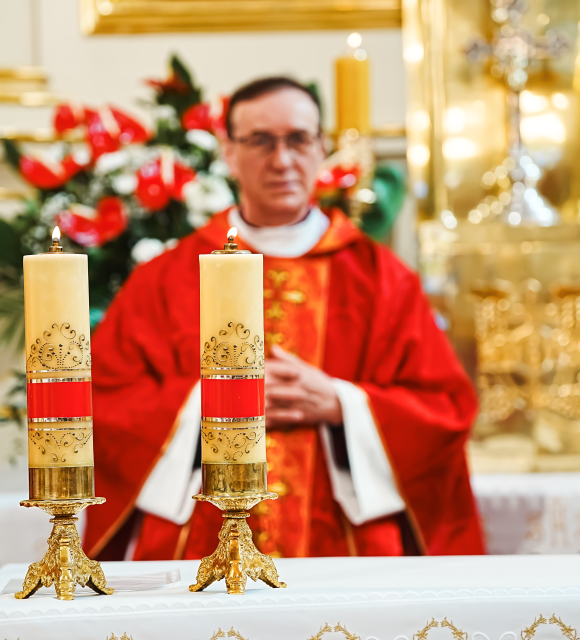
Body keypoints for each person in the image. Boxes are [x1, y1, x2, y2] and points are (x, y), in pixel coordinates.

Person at [84, 77, 485, 561]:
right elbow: (103, 402)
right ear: (229, 152)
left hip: (344, 546)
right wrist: (208, 402)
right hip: (201, 544)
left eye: (298, 139)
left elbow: (444, 409)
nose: (282, 160)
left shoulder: (381, 279)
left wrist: (341, 404)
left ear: (321, 148)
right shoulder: (168, 277)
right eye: (260, 141)